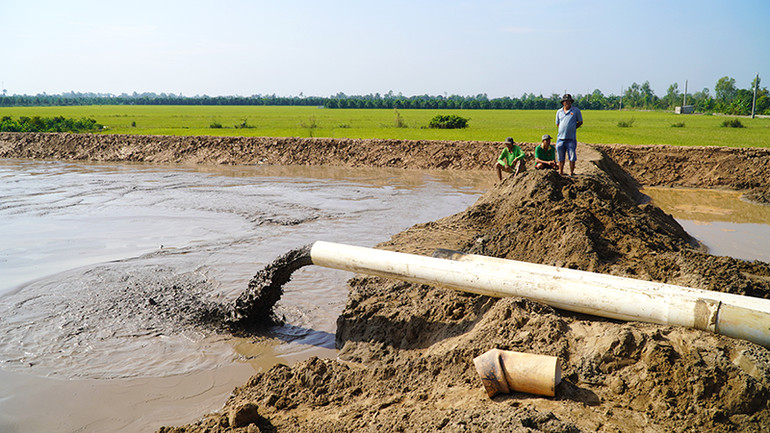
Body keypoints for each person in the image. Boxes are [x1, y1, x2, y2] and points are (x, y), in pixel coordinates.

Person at [555, 93, 583, 176]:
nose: (567, 102)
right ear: (563, 102)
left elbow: (580, 122)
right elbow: (557, 123)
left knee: (572, 156)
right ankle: (561, 171)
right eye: (566, 101)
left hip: (571, 138)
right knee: (560, 156)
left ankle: (571, 172)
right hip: (560, 138)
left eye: (569, 101)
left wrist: (573, 128)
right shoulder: (559, 112)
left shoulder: (576, 111)